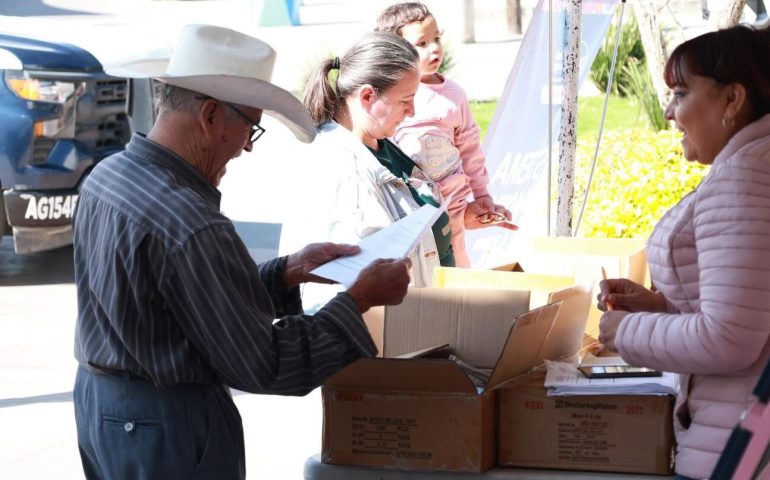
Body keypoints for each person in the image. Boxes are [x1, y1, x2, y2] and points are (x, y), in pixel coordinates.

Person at [72, 24, 411, 479]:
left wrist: (283, 273)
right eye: (250, 128)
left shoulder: (109, 175)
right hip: (167, 424)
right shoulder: (190, 221)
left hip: (103, 407)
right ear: (211, 116)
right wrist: (359, 300)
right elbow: (267, 364)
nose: (246, 149)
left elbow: (173, 303)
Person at [596, 25, 770, 480]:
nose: (670, 112)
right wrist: (661, 307)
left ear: (732, 100)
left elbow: (731, 339)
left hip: (740, 446)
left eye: (680, 93)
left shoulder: (742, 179)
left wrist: (625, 330)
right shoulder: (750, 167)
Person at [297, 31, 453, 309]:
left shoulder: (382, 145)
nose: (412, 111)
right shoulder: (342, 169)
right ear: (368, 96)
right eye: (406, 100)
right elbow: (347, 287)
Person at [375, 2, 515, 268]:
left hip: (453, 205)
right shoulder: (392, 97)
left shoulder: (454, 94)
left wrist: (481, 193)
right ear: (395, 51)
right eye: (422, 43)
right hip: (410, 208)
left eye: (437, 38)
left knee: (457, 268)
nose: (435, 48)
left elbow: (470, 148)